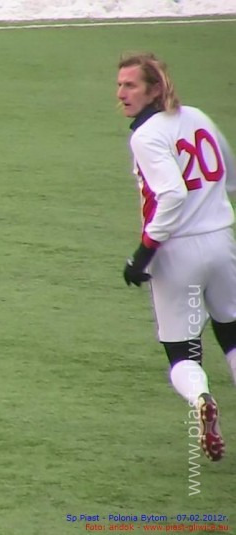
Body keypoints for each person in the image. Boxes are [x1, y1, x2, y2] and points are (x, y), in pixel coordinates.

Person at [116, 52, 236, 462]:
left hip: (178, 251)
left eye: (130, 85)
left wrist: (143, 254)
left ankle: (202, 398)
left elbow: (171, 194)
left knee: (181, 351)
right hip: (221, 242)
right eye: (119, 85)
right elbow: (229, 173)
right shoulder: (197, 117)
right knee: (231, 334)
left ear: (154, 90)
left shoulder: (146, 136)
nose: (121, 93)